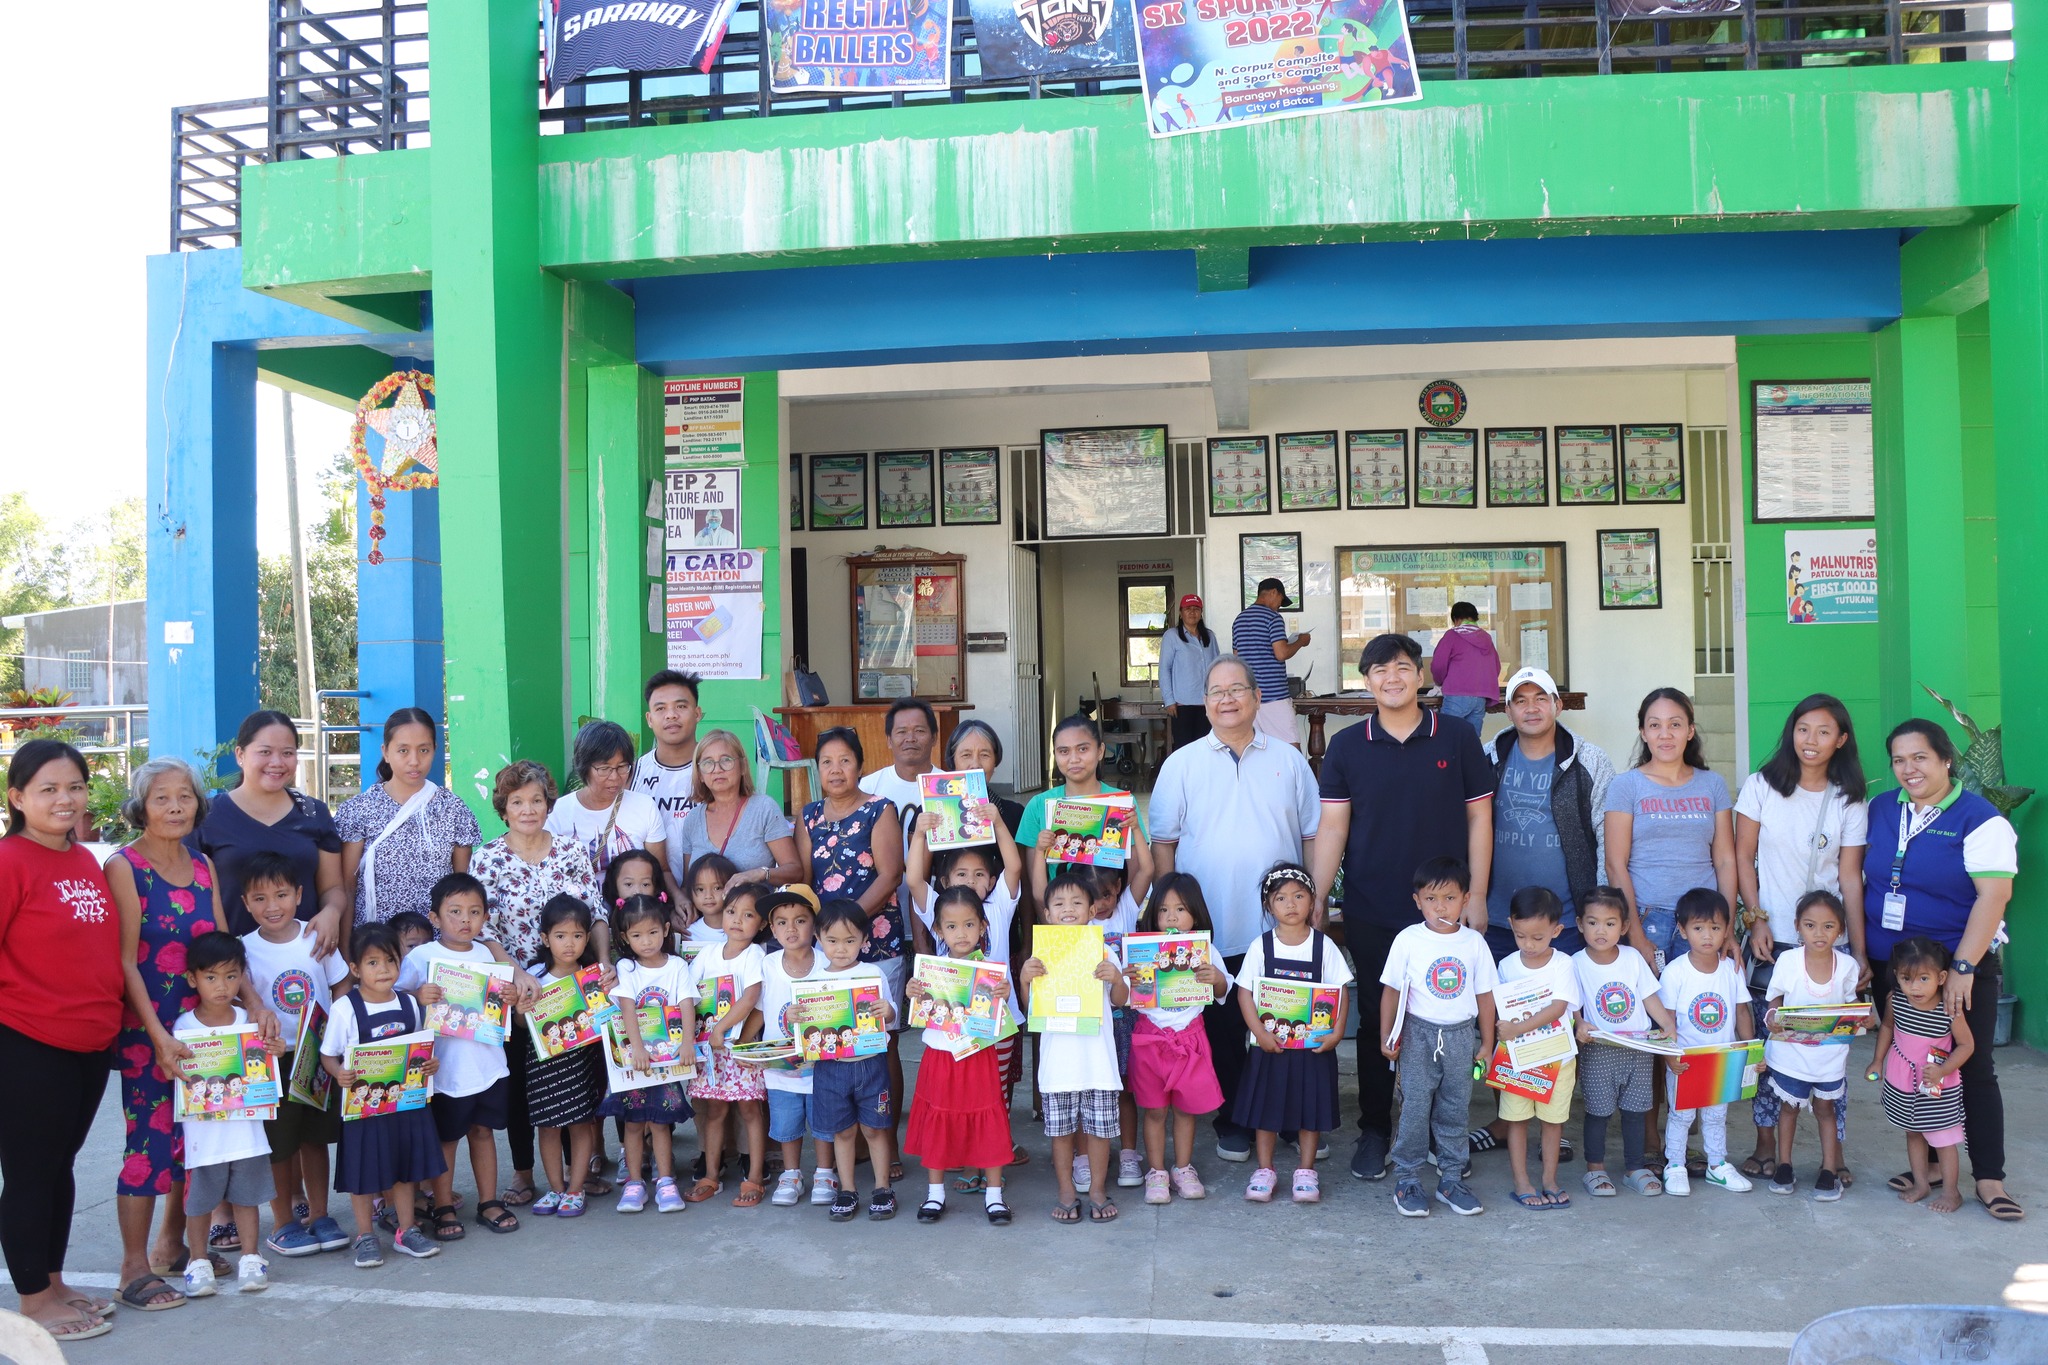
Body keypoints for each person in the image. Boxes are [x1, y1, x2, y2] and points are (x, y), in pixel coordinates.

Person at [1311, 633, 1493, 1182]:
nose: (1391, 677)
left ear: (1421, 675)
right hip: (1373, 907)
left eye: (1402, 667)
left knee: (1449, 1018)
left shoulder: (1457, 737)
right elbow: (1334, 826)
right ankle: (1375, 1129)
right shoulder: (1346, 746)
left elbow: (1480, 819)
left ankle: (1441, 1132)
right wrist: (1320, 898)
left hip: (1447, 914)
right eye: (1378, 670)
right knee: (1377, 1022)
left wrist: (1477, 895)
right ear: (1365, 680)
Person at [1149, 654, 1319, 1162]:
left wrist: (1317, 900)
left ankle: (1290, 1119)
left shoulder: (1289, 760)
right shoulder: (1182, 763)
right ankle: (1235, 1120)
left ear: (1257, 697)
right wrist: (1169, 922)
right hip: (1210, 924)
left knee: (1285, 1022)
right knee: (1222, 1031)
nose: (1227, 699)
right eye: (1216, 691)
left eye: (1237, 689)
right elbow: (1164, 843)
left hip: (1281, 926)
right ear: (1205, 703)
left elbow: (1312, 834)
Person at [1860, 718, 2019, 1221]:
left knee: (1971, 1067)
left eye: (1920, 758)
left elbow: (1995, 895)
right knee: (1913, 1061)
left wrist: (1967, 965)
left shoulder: (1980, 817)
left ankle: (1988, 1175)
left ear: (1946, 759)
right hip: (1898, 968)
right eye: (1899, 760)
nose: (1909, 769)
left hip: (1955, 968)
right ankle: (1928, 1164)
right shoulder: (1883, 809)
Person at [0, 740, 127, 1340]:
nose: (64, 798)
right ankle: (32, 1301)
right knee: (30, 1170)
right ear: (17, 798)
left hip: (89, 1040)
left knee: (61, 1166)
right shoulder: (10, 862)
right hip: (28, 1040)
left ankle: (52, 1280)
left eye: (74, 786)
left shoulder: (83, 859)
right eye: (48, 789)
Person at [108, 759, 235, 1308]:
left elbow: (227, 949)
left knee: (196, 1138)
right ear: (142, 806)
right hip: (149, 1029)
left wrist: (253, 1008)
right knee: (150, 1142)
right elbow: (125, 961)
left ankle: (170, 1245)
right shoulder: (125, 866)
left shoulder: (203, 865)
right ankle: (133, 1268)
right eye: (162, 798)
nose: (176, 807)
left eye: (185, 796)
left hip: (205, 1025)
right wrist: (157, 1035)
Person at [1735, 695, 1867, 1180]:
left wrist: (1858, 948)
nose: (1811, 741)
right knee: (1768, 1048)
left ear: (1842, 740)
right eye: (1803, 729)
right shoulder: (1761, 786)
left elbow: (1850, 878)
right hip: (1773, 939)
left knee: (1829, 1050)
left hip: (1827, 945)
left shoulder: (1849, 798)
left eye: (1824, 732)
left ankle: (1835, 1157)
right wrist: (1755, 919)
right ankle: (1767, 1146)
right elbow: (1742, 855)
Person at [470, 759, 602, 1208]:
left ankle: (572, 1179)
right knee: (522, 1081)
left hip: (568, 988)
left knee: (572, 1078)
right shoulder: (487, 856)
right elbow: (482, 928)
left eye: (537, 800)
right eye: (517, 802)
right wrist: (519, 973)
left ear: (549, 805)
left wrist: (601, 966)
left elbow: (595, 913)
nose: (528, 809)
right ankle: (525, 1175)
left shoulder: (569, 850)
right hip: (513, 987)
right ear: (504, 808)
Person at [799, 727, 908, 1157]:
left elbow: (890, 875)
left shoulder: (881, 809)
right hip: (827, 947)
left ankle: (887, 1142)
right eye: (827, 761)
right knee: (836, 1039)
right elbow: (805, 882)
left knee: (881, 1039)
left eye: (845, 760)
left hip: (875, 940)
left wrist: (850, 924)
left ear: (860, 766)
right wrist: (823, 936)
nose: (836, 769)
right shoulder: (808, 816)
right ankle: (851, 1141)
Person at [237, 850, 349, 1260]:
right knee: (279, 1147)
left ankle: (320, 1215)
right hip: (271, 1064)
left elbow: (340, 985)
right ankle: (283, 1222)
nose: (272, 906)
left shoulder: (316, 936)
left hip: (317, 1059)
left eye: (281, 895)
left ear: (299, 895)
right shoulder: (243, 949)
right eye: (260, 898)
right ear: (246, 903)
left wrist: (334, 1035)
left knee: (315, 1142)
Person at [319, 922, 446, 1268]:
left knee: (405, 1171)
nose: (383, 970)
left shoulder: (410, 1003)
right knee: (364, 1175)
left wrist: (429, 1063)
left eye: (390, 961)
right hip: (362, 1110)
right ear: (356, 969)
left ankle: (407, 1231)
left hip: (406, 1106)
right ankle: (366, 1236)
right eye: (372, 963)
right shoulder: (346, 1008)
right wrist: (338, 1073)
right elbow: (328, 1054)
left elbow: (418, 1049)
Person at [400, 872, 518, 1238]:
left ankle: (488, 1201)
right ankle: (444, 1205)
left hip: (487, 1065)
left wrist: (510, 999)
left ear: (484, 917)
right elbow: (396, 1003)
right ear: (434, 918)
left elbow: (498, 1009)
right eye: (454, 911)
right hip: (446, 1069)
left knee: (483, 1132)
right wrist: (417, 998)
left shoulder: (486, 954)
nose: (465, 920)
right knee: (447, 1139)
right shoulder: (422, 956)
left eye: (474, 911)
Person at [1379, 856, 1497, 1218]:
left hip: (1461, 1037)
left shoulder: (1473, 943)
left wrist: (1487, 1043)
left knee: (1455, 1109)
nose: (1440, 906)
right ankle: (1408, 1179)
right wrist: (1387, 1035)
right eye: (1431, 899)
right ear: (1417, 901)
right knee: (1414, 1107)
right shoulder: (1408, 940)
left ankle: (1450, 1179)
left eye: (1449, 898)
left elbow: (1485, 995)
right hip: (1418, 1035)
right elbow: (1392, 992)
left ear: (1465, 899)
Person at [171, 934, 282, 1297]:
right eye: (211, 977)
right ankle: (198, 1261)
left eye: (231, 976)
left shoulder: (251, 1022)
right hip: (204, 1138)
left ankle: (251, 1257)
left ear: (242, 976)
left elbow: (266, 1063)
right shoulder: (183, 1028)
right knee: (200, 1202)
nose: (222, 986)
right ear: (193, 979)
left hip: (247, 1133)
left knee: (247, 1199)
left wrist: (275, 1050)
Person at [1233, 864, 1350, 1206]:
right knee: (1266, 1109)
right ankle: (1265, 1170)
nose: (1291, 904)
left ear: (1313, 900)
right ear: (1269, 905)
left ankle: (1306, 1171)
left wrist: (1338, 1031)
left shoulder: (1323, 946)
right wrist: (1259, 1033)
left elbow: (1341, 991)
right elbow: (1244, 993)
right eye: (1280, 898)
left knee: (1309, 1111)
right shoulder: (1261, 946)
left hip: (1313, 1048)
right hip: (1270, 1047)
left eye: (1299, 896)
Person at [903, 886, 1016, 1225]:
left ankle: (994, 1197)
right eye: (951, 926)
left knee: (989, 1119)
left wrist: (1003, 995)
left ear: (983, 926)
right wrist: (913, 992)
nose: (961, 933)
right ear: (938, 930)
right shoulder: (930, 971)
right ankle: (935, 1195)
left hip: (978, 1056)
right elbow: (921, 1010)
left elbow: (1002, 1021)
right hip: (940, 1055)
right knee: (938, 1119)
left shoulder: (992, 972)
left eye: (969, 924)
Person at [1483, 666, 1614, 960]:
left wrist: (1600, 907)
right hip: (1498, 921)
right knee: (1498, 1005)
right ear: (1508, 711)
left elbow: (1607, 834)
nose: (1531, 708)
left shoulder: (1590, 761)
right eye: (1520, 701)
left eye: (1541, 698)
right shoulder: (1487, 758)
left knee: (1566, 1005)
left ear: (1557, 705)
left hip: (1566, 923)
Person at [1020, 870, 1127, 1224]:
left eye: (1078, 902)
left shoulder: (1103, 949)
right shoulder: (1041, 955)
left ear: (1093, 909)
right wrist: (1025, 978)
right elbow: (1030, 1007)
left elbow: (1121, 1001)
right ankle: (1066, 1189)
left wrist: (1117, 978)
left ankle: (1097, 1189)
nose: (1069, 909)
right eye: (1060, 903)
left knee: (1099, 1131)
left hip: (1096, 1059)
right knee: (1062, 1132)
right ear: (1047, 914)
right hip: (1058, 1061)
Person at [1603, 687, 1736, 971]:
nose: (1665, 734)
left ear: (1690, 731)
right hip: (1648, 918)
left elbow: (1725, 861)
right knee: (1654, 1012)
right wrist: (1635, 932)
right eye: (1655, 725)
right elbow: (1615, 864)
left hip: (1705, 922)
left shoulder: (1713, 784)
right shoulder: (1626, 786)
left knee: (1701, 1009)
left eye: (1675, 724)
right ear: (1643, 732)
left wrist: (1727, 926)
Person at [191, 710, 347, 951]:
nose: (277, 762)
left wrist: (331, 912)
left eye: (287, 753)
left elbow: (332, 887)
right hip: (231, 964)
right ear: (240, 755)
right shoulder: (208, 815)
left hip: (304, 961)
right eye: (265, 752)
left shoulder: (313, 812)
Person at [1124, 874, 1231, 1202]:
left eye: (1181, 909)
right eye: (1164, 910)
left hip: (1191, 1039)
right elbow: (1124, 997)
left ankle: (1183, 1168)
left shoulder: (1205, 949)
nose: (1172, 917)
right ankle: (1156, 1172)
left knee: (1186, 1112)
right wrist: (1127, 980)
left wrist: (1216, 978)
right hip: (1150, 1039)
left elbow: (1225, 990)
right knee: (1154, 1111)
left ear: (1195, 915)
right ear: (1153, 915)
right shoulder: (1142, 951)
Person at [1572, 886, 1675, 1198]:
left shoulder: (1631, 958)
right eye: (1593, 922)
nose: (1601, 930)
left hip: (1638, 1050)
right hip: (1599, 1049)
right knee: (1598, 1112)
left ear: (1625, 927)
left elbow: (1648, 997)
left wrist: (1668, 1025)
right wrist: (1578, 1024)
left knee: (1636, 1110)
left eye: (1610, 923)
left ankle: (1634, 1167)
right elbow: (1572, 1004)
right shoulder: (1575, 962)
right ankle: (1595, 1169)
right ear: (1580, 924)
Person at [337, 709, 480, 929]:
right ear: (385, 752)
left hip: (435, 947)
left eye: (424, 750)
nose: (414, 761)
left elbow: (462, 891)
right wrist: (347, 953)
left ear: (435, 750)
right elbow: (347, 888)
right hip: (376, 948)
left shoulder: (453, 810)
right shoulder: (358, 811)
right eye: (403, 750)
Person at [1760, 890, 1859, 1201]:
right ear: (1797, 927)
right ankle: (1784, 1165)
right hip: (1790, 1053)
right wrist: (1773, 1016)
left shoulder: (1846, 966)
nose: (1820, 933)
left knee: (1825, 1109)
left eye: (1829, 926)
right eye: (1811, 925)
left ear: (1841, 930)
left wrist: (1863, 1018)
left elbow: (1851, 1004)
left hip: (1829, 1055)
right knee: (1788, 1108)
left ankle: (1828, 1170)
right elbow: (1774, 999)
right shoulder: (1788, 961)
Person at [602, 894, 697, 1214]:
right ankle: (633, 1182)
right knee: (631, 1123)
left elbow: (686, 1004)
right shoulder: (626, 967)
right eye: (637, 935)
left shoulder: (677, 965)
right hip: (637, 1061)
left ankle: (666, 1182)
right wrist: (637, 1048)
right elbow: (627, 1008)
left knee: (660, 1123)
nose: (646, 941)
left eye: (653, 933)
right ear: (625, 938)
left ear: (666, 929)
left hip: (668, 1062)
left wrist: (687, 1043)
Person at [1656, 888, 1754, 1196]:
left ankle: (1717, 1165)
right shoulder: (1675, 972)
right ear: (1683, 931)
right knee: (1681, 1115)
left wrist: (1751, 1050)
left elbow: (1740, 1011)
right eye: (1698, 928)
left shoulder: (1731, 970)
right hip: (1685, 1059)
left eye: (1715, 928)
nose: (1707, 936)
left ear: (1727, 930)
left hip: (1721, 1058)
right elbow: (1666, 1019)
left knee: (1716, 1115)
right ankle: (1674, 1165)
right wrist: (1669, 1056)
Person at [1870, 935, 1976, 1213]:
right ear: (1896, 976)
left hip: (1936, 1083)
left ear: (1942, 977)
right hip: (1902, 1079)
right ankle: (1921, 1183)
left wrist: (1943, 1070)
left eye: (1923, 979)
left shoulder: (1949, 1009)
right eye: (1906, 979)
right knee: (1913, 1131)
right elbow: (1887, 1029)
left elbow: (1967, 1045)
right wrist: (1877, 1061)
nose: (1914, 987)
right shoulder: (1896, 1000)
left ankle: (1952, 1193)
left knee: (1943, 1138)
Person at [519, 895, 610, 1218]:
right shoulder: (533, 976)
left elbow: (607, 1018)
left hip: (582, 1061)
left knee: (581, 1123)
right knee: (547, 1126)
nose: (569, 944)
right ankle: (555, 1188)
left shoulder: (594, 977)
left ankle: (575, 1189)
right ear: (545, 939)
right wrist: (522, 1010)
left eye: (577, 935)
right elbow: (520, 1022)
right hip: (543, 1064)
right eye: (560, 936)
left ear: (587, 937)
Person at [1493, 886, 1582, 1210]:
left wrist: (1517, 1028)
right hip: (1518, 1059)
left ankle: (1549, 1179)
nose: (1529, 945)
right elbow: (1500, 1010)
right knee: (1516, 1120)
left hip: (1556, 1059)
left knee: (1552, 1121)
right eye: (1521, 936)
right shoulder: (1506, 966)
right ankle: (1522, 1181)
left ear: (1557, 931)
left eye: (1538, 938)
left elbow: (1559, 1008)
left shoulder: (1563, 964)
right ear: (1511, 925)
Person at [810, 900, 898, 1221]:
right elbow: (805, 1030)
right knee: (842, 1132)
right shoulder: (813, 980)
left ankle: (882, 1188)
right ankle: (847, 1189)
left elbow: (889, 1013)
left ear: (864, 940)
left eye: (850, 941)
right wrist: (796, 1016)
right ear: (819, 938)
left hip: (870, 1064)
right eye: (832, 941)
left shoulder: (872, 973)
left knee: (875, 1129)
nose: (842, 949)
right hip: (830, 1068)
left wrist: (887, 1011)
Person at [686, 887, 768, 1207]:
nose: (737, 920)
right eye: (732, 911)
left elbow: (751, 998)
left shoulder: (755, 955)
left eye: (749, 915)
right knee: (715, 1111)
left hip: (742, 1048)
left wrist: (721, 1028)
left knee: (750, 1110)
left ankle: (755, 1178)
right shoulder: (707, 954)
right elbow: (690, 996)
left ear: (761, 924)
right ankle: (711, 1175)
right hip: (710, 1051)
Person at [756, 891, 833, 1208]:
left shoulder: (829, 962)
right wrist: (748, 1049)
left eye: (800, 921)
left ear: (814, 927)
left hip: (824, 1066)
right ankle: (791, 1174)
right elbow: (758, 1010)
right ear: (772, 930)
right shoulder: (768, 965)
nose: (791, 929)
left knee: (824, 1121)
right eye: (782, 922)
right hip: (781, 1067)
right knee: (787, 1123)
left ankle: (826, 1173)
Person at [546, 720, 671, 886]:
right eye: (604, 769)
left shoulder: (645, 807)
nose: (614, 777)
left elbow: (661, 870)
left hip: (633, 909)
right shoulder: (557, 813)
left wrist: (678, 898)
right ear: (584, 767)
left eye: (621, 767)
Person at [675, 728, 800, 892]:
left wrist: (759, 874)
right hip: (706, 917)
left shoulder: (763, 809)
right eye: (707, 763)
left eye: (726, 760)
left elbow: (795, 871)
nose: (717, 769)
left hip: (754, 913)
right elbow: (688, 884)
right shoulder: (693, 819)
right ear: (700, 775)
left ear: (742, 766)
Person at [635, 670, 704, 891]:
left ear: (697, 713)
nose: (671, 715)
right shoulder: (633, 773)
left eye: (681, 706)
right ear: (649, 719)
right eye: (660, 708)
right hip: (649, 897)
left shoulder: (717, 769)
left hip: (711, 896)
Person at [1230, 577, 1309, 747]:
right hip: (1274, 696)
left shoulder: (1239, 620)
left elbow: (1236, 658)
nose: (1279, 606)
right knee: (1290, 747)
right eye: (1281, 600)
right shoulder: (1273, 618)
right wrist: (1300, 642)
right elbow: (1281, 653)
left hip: (1249, 696)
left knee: (1256, 748)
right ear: (1273, 592)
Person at [1157, 593, 1220, 751]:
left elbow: (1217, 668)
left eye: (1196, 609)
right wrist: (1169, 700)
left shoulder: (1209, 636)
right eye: (1188, 609)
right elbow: (1165, 668)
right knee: (1185, 749)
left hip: (1207, 703)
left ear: (1201, 613)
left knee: (1207, 748)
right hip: (1182, 704)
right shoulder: (1172, 636)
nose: (1192, 612)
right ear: (1180, 612)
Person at [942, 720, 1025, 837]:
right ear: (953, 760)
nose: (975, 765)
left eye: (984, 755)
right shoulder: (932, 812)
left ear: (995, 761)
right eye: (966, 755)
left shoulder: (1015, 813)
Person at [1430, 601, 1502, 732]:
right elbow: (1496, 667)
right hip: (1481, 697)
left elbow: (1438, 665)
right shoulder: (1486, 638)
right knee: (1472, 741)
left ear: (1456, 619)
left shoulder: (1452, 636)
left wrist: (1440, 682)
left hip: (1456, 694)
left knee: (1447, 737)